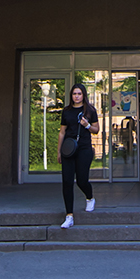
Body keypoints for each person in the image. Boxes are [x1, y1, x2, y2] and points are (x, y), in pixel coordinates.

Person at [58, 83, 99, 228]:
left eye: (79, 94)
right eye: (74, 94)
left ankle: (90, 197)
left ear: (83, 95)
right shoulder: (67, 111)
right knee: (67, 181)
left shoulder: (90, 110)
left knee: (82, 180)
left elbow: (96, 130)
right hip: (68, 149)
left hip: (84, 148)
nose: (76, 96)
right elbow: (62, 132)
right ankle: (69, 215)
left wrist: (87, 125)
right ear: (71, 96)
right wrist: (59, 151)